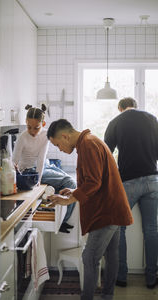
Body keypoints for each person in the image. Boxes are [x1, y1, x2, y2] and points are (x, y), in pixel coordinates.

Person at [46, 119, 133, 300]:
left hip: (106, 212)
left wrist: (68, 199)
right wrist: (74, 191)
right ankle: (107, 296)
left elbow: (94, 182)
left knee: (89, 258)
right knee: (111, 255)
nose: (60, 149)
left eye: (58, 145)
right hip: (112, 208)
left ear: (65, 136)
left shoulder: (88, 144)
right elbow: (94, 179)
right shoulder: (89, 141)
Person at [104, 97, 158, 289]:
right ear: (135, 106)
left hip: (128, 182)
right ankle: (152, 277)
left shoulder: (116, 122)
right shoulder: (152, 119)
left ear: (120, 108)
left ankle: (121, 276)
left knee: (119, 228)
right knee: (151, 229)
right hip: (152, 180)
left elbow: (106, 154)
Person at [12, 104, 76, 233]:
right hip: (28, 171)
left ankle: (61, 218)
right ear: (26, 123)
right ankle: (62, 222)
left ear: (43, 123)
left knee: (70, 182)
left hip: (44, 165)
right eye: (29, 127)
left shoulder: (46, 135)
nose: (32, 131)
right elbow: (14, 162)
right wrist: (35, 181)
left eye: (36, 128)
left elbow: (41, 159)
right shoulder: (22, 138)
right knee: (70, 182)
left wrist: (39, 180)